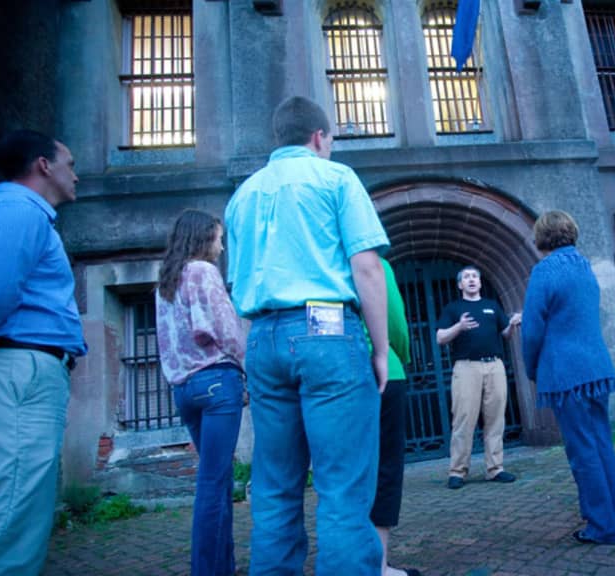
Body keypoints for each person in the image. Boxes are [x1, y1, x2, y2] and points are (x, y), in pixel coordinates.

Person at [225, 96, 390, 575]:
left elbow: (237, 283)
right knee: (342, 485)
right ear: (319, 137)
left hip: (264, 335)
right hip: (328, 330)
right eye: (332, 139)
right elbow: (366, 266)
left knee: (274, 486)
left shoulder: (243, 195)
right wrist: (380, 349)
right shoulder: (336, 177)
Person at [0, 129, 87, 575]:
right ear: (43, 165)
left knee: (15, 513)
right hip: (14, 369)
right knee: (5, 515)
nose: (76, 174)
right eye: (69, 164)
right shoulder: (16, 210)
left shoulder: (18, 213)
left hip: (15, 367)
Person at [521, 210, 615, 545]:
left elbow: (531, 331)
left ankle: (602, 526)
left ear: (542, 237)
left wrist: (530, 369)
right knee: (600, 445)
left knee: (582, 450)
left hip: (566, 373)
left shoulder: (544, 272)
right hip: (596, 368)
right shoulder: (585, 266)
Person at [155, 209, 246, 576]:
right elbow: (226, 330)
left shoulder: (166, 281)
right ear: (201, 238)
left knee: (216, 481)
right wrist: (249, 370)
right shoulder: (203, 272)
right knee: (213, 483)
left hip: (184, 390)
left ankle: (222, 566)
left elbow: (167, 343)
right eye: (217, 238)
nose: (221, 246)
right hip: (216, 381)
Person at [437, 265, 521, 489]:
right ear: (460, 285)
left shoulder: (492, 307)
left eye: (475, 276)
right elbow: (440, 338)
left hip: (494, 366)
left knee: (495, 419)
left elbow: (505, 334)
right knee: (464, 419)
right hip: (466, 368)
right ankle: (457, 472)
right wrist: (460, 326)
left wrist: (512, 325)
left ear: (480, 282)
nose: (472, 280)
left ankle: (495, 469)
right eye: (466, 277)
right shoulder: (453, 308)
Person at [371, 257, 421, 576]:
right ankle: (379, 565)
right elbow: (395, 322)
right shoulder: (375, 262)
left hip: (334, 371)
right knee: (386, 469)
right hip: (384, 370)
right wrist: (397, 355)